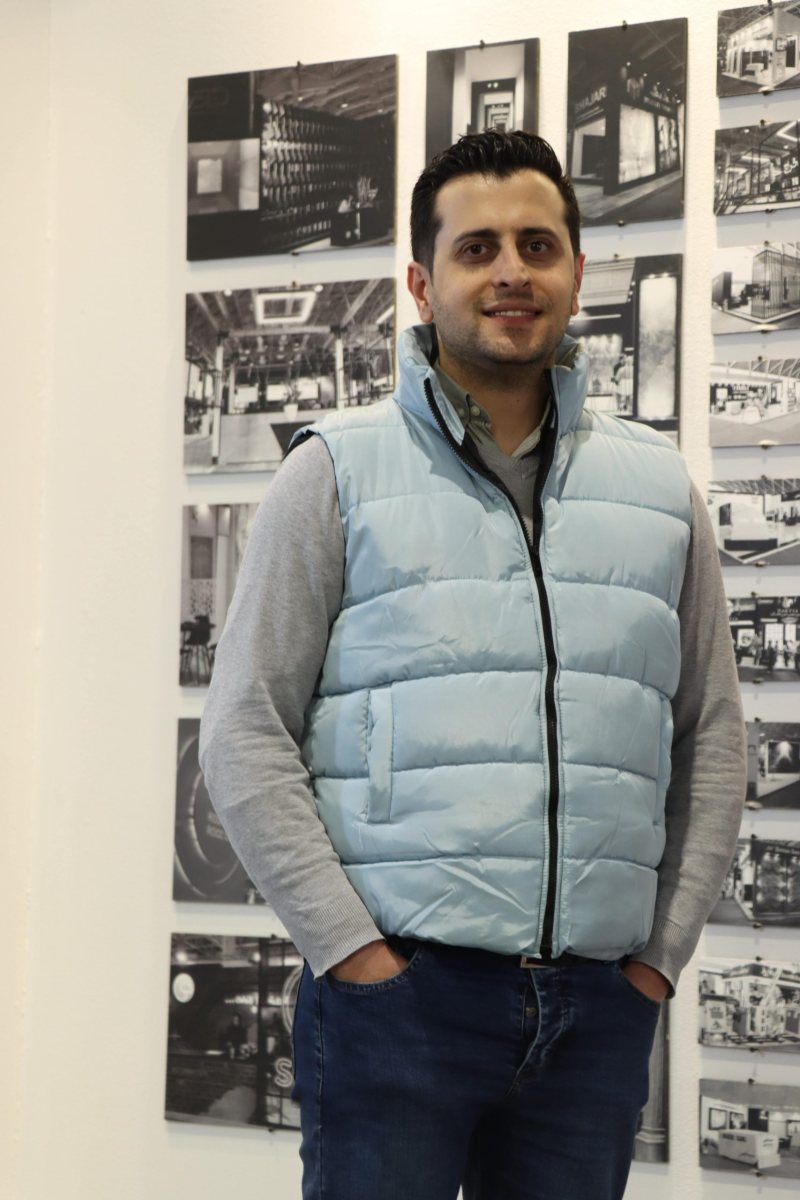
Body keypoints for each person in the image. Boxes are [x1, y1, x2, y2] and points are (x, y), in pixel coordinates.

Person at [200, 131, 746, 1200]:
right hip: (398, 1002)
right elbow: (243, 729)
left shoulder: (658, 490)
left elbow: (713, 735)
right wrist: (352, 955)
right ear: (421, 282)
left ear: (575, 272)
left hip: (596, 1012)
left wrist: (656, 961)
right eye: (476, 248)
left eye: (537, 246)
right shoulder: (334, 472)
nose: (510, 272)